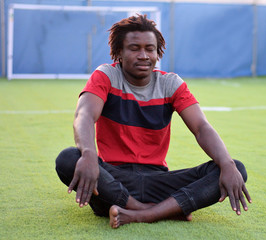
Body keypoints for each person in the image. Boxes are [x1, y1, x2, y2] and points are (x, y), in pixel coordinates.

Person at [55, 14, 251, 229]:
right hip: (114, 180)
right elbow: (84, 116)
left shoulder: (171, 84)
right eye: (134, 48)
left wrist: (227, 164)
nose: (143, 55)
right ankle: (156, 211)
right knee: (69, 158)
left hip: (158, 181)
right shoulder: (106, 76)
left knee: (234, 168)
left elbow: (201, 128)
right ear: (119, 52)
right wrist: (89, 155)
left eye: (149, 49)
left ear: (158, 53)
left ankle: (141, 213)